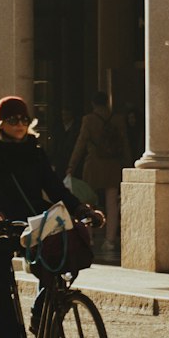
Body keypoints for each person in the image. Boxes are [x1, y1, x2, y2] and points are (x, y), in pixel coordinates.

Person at [0, 95, 102, 338]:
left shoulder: (34, 150)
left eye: (23, 119)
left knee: (57, 266)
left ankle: (39, 315)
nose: (18, 125)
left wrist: (81, 209)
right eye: (11, 120)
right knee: (3, 291)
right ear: (0, 123)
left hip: (32, 223)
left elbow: (54, 187)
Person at [67, 90, 131, 254]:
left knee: (89, 202)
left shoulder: (89, 120)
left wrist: (71, 166)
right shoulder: (118, 120)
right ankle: (110, 241)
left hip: (94, 164)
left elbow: (80, 145)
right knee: (112, 202)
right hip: (113, 165)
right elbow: (124, 144)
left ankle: (89, 237)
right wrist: (128, 165)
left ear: (93, 104)